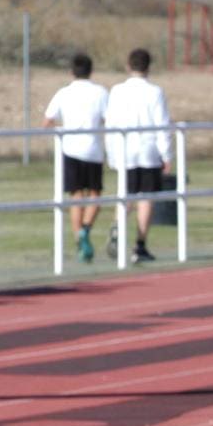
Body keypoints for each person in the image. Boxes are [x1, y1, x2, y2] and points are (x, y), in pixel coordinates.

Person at [104, 48, 169, 264]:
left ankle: (117, 227)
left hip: (124, 150)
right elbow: (162, 124)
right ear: (148, 67)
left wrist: (112, 152)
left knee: (126, 194)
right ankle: (140, 244)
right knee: (146, 198)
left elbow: (110, 124)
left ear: (128, 66)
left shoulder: (116, 91)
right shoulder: (155, 92)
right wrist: (167, 154)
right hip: (148, 150)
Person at [44, 53, 108, 263]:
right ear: (91, 71)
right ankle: (85, 230)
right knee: (95, 193)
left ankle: (78, 238)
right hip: (93, 149)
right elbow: (109, 119)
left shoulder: (64, 93)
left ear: (71, 72)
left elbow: (47, 121)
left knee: (76, 195)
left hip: (70, 149)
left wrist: (60, 131)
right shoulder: (100, 92)